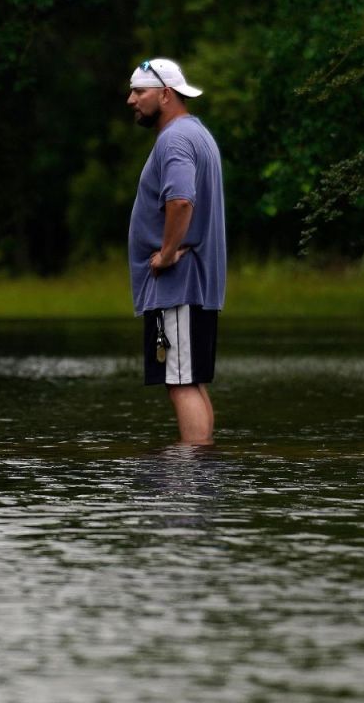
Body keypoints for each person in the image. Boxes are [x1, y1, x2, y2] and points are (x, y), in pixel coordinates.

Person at [126, 58, 227, 445]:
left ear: (165, 95)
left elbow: (181, 201)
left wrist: (167, 254)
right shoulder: (195, 133)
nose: (131, 100)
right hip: (192, 286)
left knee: (180, 382)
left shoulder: (175, 139)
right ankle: (200, 471)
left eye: (139, 92)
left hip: (179, 284)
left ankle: (189, 476)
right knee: (188, 379)